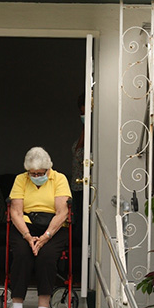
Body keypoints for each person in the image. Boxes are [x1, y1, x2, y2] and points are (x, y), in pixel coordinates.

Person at [8, 146, 71, 308]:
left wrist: (45, 237)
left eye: (40, 173)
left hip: (54, 227)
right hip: (26, 225)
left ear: (47, 170)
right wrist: (28, 237)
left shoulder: (59, 179)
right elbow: (16, 212)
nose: (36, 176)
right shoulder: (21, 179)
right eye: (32, 173)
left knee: (47, 257)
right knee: (21, 254)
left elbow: (62, 212)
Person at [70, 93, 85, 247]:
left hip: (86, 188)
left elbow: (79, 155)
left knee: (82, 225)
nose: (83, 116)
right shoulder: (84, 132)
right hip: (77, 187)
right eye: (81, 113)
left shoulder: (92, 137)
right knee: (78, 224)